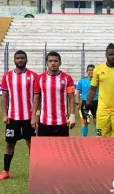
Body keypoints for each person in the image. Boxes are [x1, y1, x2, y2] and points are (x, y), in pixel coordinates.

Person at [0, 50, 38, 180]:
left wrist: (35, 115)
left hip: (29, 118)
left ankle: (35, 171)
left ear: (26, 60)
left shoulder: (33, 76)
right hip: (12, 118)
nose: (20, 60)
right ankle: (6, 171)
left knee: (32, 144)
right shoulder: (7, 76)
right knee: (9, 144)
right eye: (18, 58)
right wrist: (4, 114)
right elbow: (4, 96)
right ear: (14, 60)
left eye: (22, 58)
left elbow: (37, 97)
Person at [31, 51, 76, 137]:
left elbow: (71, 98)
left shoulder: (67, 78)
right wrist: (34, 116)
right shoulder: (39, 78)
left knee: (62, 149)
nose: (53, 63)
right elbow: (36, 98)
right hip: (44, 122)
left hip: (62, 122)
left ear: (60, 63)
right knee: (44, 149)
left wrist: (72, 115)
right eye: (50, 61)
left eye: (55, 61)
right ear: (46, 63)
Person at [76, 64, 98, 137]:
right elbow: (78, 91)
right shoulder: (82, 81)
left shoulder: (98, 80)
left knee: (97, 121)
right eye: (89, 70)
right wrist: (77, 102)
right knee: (85, 121)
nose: (91, 71)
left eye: (92, 70)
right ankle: (84, 137)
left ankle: (99, 136)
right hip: (85, 103)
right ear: (87, 71)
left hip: (96, 102)